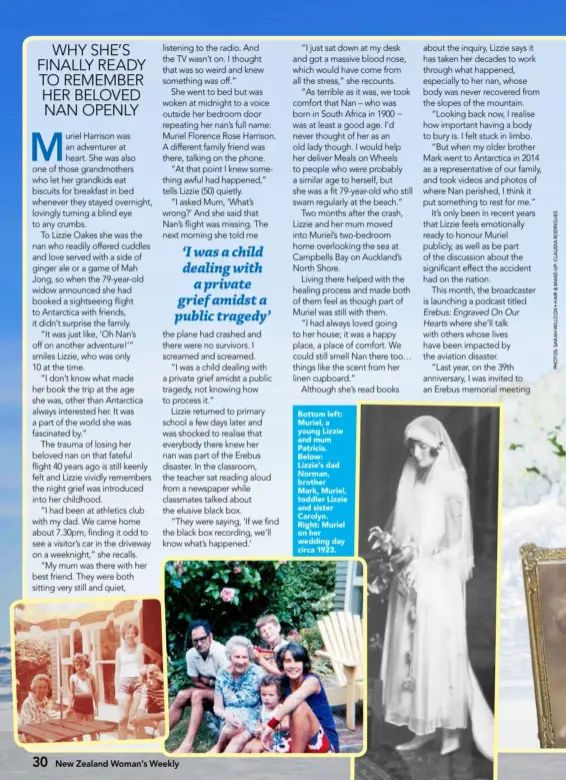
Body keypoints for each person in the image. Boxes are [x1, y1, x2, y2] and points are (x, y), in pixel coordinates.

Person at [380, 415, 493, 758]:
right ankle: (421, 726)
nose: (415, 452)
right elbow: (404, 533)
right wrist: (400, 555)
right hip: (413, 577)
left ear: (437, 445)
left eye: (420, 444)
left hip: (438, 578)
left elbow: (457, 541)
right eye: (411, 445)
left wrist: (422, 555)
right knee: (410, 653)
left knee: (439, 651)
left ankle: (449, 732)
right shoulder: (413, 481)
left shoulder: (452, 482)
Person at [261, 642, 339, 753]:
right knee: (265, 755)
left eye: (297, 660)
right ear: (282, 664)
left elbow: (296, 698)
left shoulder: (312, 681)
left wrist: (271, 725)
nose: (293, 666)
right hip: (298, 739)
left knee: (299, 707)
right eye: (288, 661)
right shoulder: (285, 682)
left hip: (323, 744)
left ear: (304, 663)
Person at [170, 619, 229, 754]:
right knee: (181, 695)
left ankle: (187, 745)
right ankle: (160, 737)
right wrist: (212, 684)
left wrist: (208, 682)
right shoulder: (191, 654)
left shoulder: (221, 653)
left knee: (197, 694)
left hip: (227, 696)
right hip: (212, 692)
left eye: (202, 639)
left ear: (210, 637)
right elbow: (196, 682)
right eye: (195, 640)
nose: (199, 644)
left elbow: (226, 690)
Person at [209, 635, 264, 753]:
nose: (241, 661)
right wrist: (225, 714)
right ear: (230, 656)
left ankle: (218, 749)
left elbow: (266, 702)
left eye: (244, 657)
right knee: (232, 729)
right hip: (230, 717)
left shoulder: (257, 673)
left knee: (238, 740)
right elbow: (217, 707)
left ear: (249, 657)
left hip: (252, 717)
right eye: (237, 657)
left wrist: (260, 723)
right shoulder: (222, 674)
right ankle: (219, 748)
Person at [115, 621, 162, 740]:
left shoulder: (141, 647)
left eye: (132, 633)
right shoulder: (119, 651)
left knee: (136, 718)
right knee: (122, 719)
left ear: (136, 634)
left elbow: (158, 658)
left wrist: (149, 673)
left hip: (139, 683)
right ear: (123, 634)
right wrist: (116, 691)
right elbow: (117, 672)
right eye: (127, 633)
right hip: (123, 684)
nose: (130, 635)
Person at [243, 674, 291, 753]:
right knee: (247, 747)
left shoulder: (281, 709)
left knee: (257, 750)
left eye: (271, 695)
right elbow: (260, 721)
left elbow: (287, 724)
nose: (267, 698)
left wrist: (272, 726)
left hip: (277, 740)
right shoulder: (263, 708)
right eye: (263, 694)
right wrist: (257, 729)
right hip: (263, 738)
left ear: (279, 696)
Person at [66, 653, 99, 740]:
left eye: (81, 665)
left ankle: (95, 747)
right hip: (78, 704)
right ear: (74, 665)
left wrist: (96, 706)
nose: (79, 667)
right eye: (77, 665)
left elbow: (95, 692)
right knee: (78, 729)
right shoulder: (73, 677)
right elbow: (71, 693)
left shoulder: (91, 677)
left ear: (86, 665)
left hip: (88, 704)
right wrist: (69, 707)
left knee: (92, 728)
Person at [18, 674, 57, 742]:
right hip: (29, 735)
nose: (42, 690)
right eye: (39, 687)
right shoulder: (28, 703)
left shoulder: (45, 700)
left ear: (48, 689)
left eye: (45, 687)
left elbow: (47, 714)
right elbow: (29, 727)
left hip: (43, 733)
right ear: (34, 689)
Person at [131, 664, 166, 739]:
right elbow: (142, 705)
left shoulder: (165, 688)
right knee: (136, 721)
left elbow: (169, 713)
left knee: (162, 724)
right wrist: (138, 716)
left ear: (158, 677)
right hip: (155, 716)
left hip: (164, 717)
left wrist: (147, 716)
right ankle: (142, 746)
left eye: (150, 678)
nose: (148, 681)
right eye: (146, 679)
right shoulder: (146, 687)